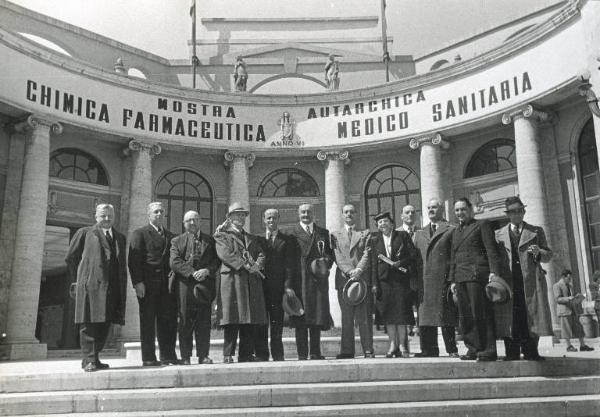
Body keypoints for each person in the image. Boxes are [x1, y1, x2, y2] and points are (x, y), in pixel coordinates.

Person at [65, 203, 127, 372]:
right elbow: (71, 257)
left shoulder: (120, 237)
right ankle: (89, 359)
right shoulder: (85, 233)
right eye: (103, 216)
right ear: (96, 217)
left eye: (110, 216)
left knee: (104, 324)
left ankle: (95, 358)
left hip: (112, 289)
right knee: (89, 324)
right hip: (90, 287)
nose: (107, 219)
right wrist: (81, 278)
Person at [494, 196, 554, 361]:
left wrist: (538, 252)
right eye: (514, 212)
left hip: (530, 281)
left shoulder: (535, 231)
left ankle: (531, 351)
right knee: (510, 317)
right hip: (508, 283)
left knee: (531, 315)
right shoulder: (498, 234)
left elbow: (548, 255)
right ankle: (511, 353)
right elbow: (494, 259)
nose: (518, 214)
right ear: (508, 214)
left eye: (520, 211)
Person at [214, 202, 268, 363]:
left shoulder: (251, 238)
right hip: (233, 280)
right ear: (229, 218)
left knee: (248, 319)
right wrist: (245, 265)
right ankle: (228, 354)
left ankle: (246, 354)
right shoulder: (221, 236)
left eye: (243, 215)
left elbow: (261, 253)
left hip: (250, 281)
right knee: (232, 318)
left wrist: (257, 265)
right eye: (237, 214)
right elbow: (225, 254)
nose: (240, 217)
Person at [448, 197, 500, 362]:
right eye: (457, 210)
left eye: (463, 209)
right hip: (460, 277)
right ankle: (473, 348)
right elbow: (453, 256)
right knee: (466, 315)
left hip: (477, 275)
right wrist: (452, 280)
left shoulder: (482, 225)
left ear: (470, 210)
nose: (460, 213)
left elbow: (491, 250)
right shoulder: (456, 231)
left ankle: (488, 349)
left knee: (481, 313)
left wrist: (494, 272)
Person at [127, 202, 178, 366]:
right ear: (148, 214)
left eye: (162, 212)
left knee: (167, 321)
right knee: (148, 322)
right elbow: (134, 261)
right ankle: (148, 358)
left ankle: (168, 355)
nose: (159, 214)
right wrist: (138, 283)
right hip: (147, 285)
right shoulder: (139, 233)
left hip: (167, 286)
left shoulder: (171, 236)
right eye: (156, 212)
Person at [170, 210, 220, 365]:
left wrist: (207, 271)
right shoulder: (176, 241)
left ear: (200, 221)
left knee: (204, 321)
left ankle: (203, 355)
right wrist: (192, 273)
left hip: (205, 285)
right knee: (184, 320)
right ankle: (185, 356)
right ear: (184, 224)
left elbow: (216, 261)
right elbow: (174, 262)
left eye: (195, 220)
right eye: (188, 220)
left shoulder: (210, 241)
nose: (192, 223)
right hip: (185, 285)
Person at [287, 203, 334, 360]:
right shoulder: (291, 233)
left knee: (316, 316)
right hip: (300, 281)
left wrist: (324, 262)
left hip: (318, 281)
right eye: (303, 212)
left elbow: (330, 254)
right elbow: (288, 261)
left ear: (313, 214)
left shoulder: (323, 232)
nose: (306, 214)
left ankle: (315, 352)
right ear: (298, 214)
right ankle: (302, 354)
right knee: (301, 318)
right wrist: (288, 285)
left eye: (308, 212)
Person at [413, 198, 458, 358]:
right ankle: (428, 349)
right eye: (429, 207)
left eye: (434, 207)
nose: (431, 210)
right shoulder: (419, 234)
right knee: (425, 317)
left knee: (446, 316)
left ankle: (452, 349)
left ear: (442, 210)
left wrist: (452, 279)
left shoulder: (451, 229)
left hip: (443, 280)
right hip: (424, 282)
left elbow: (454, 257)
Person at [370, 211, 417, 358]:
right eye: (380, 223)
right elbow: (373, 265)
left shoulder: (402, 236)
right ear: (378, 226)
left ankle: (402, 346)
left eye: (385, 221)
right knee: (388, 316)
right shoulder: (374, 240)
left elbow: (412, 255)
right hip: (383, 282)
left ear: (391, 223)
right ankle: (392, 345)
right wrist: (374, 284)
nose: (382, 224)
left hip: (400, 281)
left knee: (401, 315)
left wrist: (400, 263)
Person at [331, 204, 374, 359]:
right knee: (346, 318)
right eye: (346, 212)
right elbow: (337, 256)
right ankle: (347, 351)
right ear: (342, 215)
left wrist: (358, 271)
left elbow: (367, 253)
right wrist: (349, 271)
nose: (349, 214)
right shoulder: (335, 235)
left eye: (351, 212)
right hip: (344, 280)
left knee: (363, 317)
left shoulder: (365, 233)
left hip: (361, 280)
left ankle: (368, 350)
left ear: (356, 214)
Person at [255, 208, 294, 361]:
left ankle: (278, 354)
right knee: (261, 322)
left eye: (274, 218)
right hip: (261, 288)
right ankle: (262, 354)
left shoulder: (287, 240)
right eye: (268, 218)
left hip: (278, 288)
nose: (271, 221)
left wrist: (288, 285)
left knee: (277, 322)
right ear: (264, 220)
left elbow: (289, 265)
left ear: (278, 219)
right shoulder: (257, 239)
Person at [553, 269, 594, 352]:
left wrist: (578, 298)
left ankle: (582, 345)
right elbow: (558, 299)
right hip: (564, 311)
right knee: (566, 329)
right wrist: (568, 298)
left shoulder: (570, 286)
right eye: (568, 278)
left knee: (579, 328)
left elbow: (573, 296)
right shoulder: (557, 285)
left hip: (573, 310)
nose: (570, 279)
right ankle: (569, 346)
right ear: (563, 277)